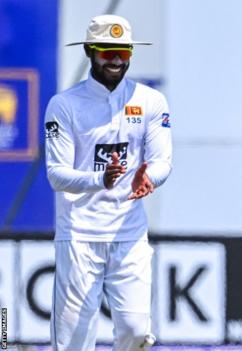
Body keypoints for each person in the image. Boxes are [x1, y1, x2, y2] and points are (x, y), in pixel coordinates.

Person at [45, 14, 172, 350]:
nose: (116, 60)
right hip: (80, 234)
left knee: (134, 331)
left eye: (123, 52)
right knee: (73, 343)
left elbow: (161, 162)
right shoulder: (64, 105)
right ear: (89, 51)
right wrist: (101, 178)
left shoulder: (150, 101)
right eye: (107, 51)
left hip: (129, 232)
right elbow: (57, 175)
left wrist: (150, 179)